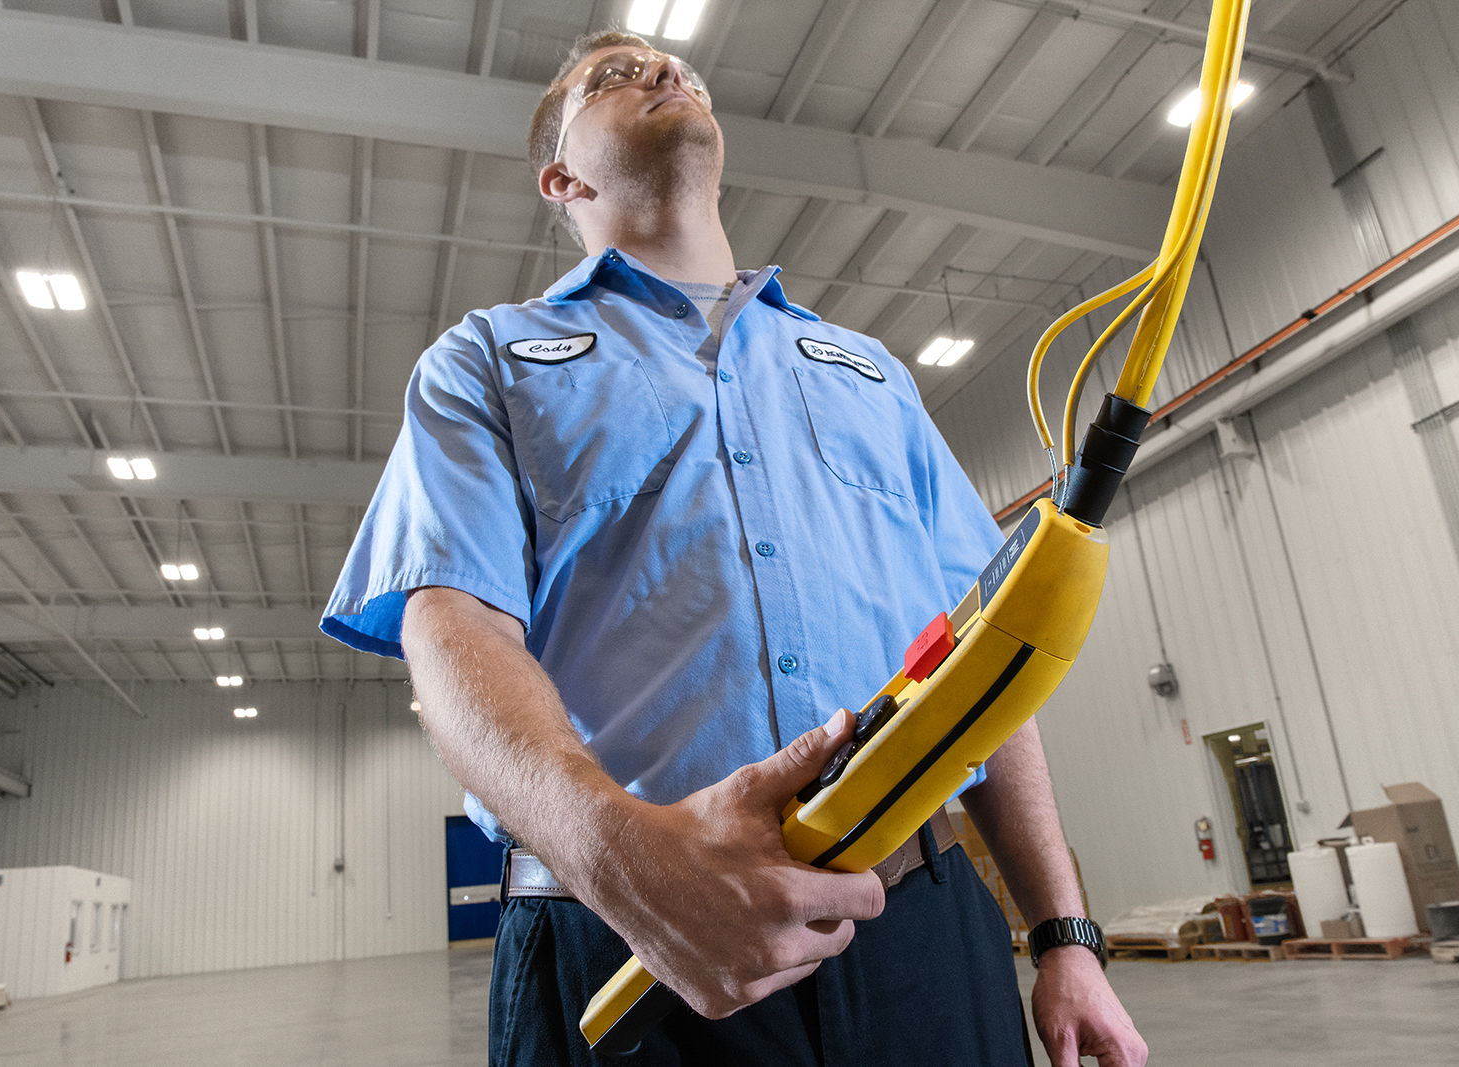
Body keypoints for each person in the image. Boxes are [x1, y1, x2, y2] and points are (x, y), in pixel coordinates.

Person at [322, 29, 1147, 1067]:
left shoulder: (867, 372)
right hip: (624, 942)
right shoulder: (485, 361)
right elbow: (451, 625)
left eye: (680, 68)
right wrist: (622, 858)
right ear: (561, 175)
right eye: (614, 77)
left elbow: (978, 658)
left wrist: (1062, 933)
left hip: (921, 930)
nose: (665, 72)